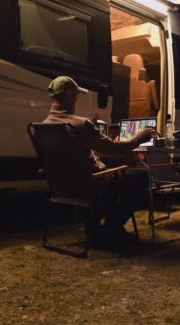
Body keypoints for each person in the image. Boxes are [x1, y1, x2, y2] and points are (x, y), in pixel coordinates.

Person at [43, 76, 155, 243]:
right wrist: (140, 138)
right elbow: (116, 149)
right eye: (75, 95)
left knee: (110, 174)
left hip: (62, 187)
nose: (75, 99)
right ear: (68, 96)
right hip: (90, 185)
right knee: (142, 176)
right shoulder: (80, 124)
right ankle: (113, 226)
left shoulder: (44, 125)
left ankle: (93, 228)